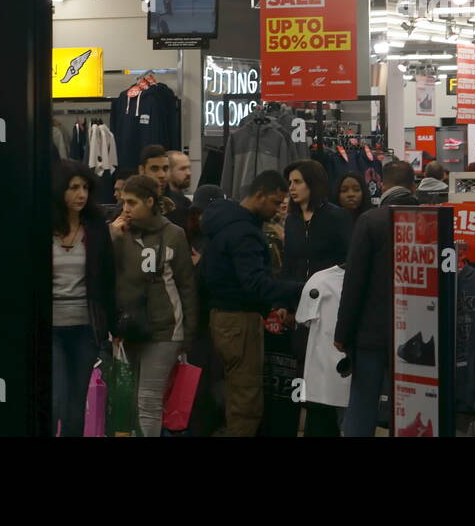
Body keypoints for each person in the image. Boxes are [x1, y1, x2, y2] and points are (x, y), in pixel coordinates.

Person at [200, 171, 305, 436]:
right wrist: (303, 289)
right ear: (259, 195)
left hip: (221, 317)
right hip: (239, 320)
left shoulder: (224, 221)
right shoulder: (245, 233)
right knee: (245, 401)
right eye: (274, 202)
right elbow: (255, 284)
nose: (276, 209)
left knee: (235, 393)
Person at [110, 174, 199, 437]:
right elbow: (103, 275)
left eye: (132, 202)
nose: (125, 208)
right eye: (124, 202)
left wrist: (188, 335)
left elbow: (186, 286)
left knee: (148, 400)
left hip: (165, 330)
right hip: (128, 328)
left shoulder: (174, 234)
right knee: (128, 402)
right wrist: (111, 238)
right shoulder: (117, 232)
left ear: (150, 202)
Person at [335, 160, 420, 436]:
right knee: (414, 407)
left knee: (363, 404)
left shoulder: (370, 221)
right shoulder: (432, 219)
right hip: (419, 332)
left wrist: (343, 333)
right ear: (413, 185)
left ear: (382, 185)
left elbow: (354, 282)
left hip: (372, 332)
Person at [283, 159, 353, 436]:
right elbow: (290, 263)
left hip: (330, 307)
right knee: (303, 368)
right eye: (290, 183)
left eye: (297, 182)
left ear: (312, 183)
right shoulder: (292, 220)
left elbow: (348, 262)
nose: (292, 188)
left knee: (326, 370)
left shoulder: (335, 217)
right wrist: (285, 304)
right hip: (300, 305)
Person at [52, 159, 115, 437]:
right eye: (73, 188)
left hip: (85, 328)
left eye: (85, 188)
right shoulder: (40, 226)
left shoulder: (96, 228)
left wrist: (110, 326)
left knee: (76, 407)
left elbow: (107, 278)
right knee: (56, 399)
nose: (81, 194)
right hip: (50, 328)